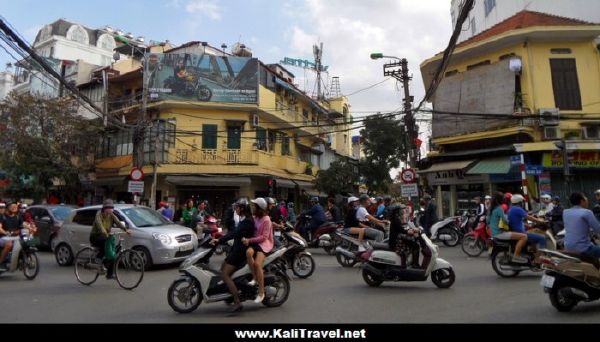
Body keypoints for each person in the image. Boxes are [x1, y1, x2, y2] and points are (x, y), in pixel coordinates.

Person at [212, 198, 255, 313]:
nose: (235, 209)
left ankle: (237, 301)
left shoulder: (247, 221)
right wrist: (220, 237)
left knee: (225, 274)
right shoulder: (244, 219)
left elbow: (235, 233)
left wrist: (220, 240)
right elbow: (234, 233)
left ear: (242, 208)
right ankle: (230, 294)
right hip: (235, 250)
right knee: (222, 268)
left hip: (240, 253)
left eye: (237, 207)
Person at [88, 200, 131, 279]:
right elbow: (99, 225)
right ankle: (98, 258)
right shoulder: (99, 215)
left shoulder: (112, 215)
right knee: (106, 242)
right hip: (95, 237)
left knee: (113, 253)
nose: (111, 209)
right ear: (104, 208)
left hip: (105, 236)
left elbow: (118, 222)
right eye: (109, 208)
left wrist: (126, 230)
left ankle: (109, 274)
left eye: (112, 208)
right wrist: (104, 232)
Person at [243, 198, 274, 304]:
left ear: (259, 208)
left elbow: (264, 237)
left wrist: (249, 240)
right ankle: (255, 277)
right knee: (248, 253)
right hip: (256, 243)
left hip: (264, 244)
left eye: (255, 206)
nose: (253, 208)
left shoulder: (267, 220)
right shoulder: (255, 217)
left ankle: (261, 292)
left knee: (257, 264)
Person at [487, 193, 528, 264]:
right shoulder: (499, 209)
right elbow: (506, 220)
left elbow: (487, 221)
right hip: (500, 233)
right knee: (524, 237)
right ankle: (516, 256)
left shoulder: (491, 209)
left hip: (493, 233)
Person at [564, 192, 600, 259]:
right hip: (583, 249)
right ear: (582, 201)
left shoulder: (565, 212)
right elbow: (598, 229)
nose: (587, 200)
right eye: (586, 198)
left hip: (568, 247)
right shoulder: (587, 212)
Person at [0, 203, 33, 271]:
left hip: (16, 237)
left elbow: (23, 224)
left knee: (30, 240)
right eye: (12, 207)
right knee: (9, 244)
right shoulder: (2, 216)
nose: (14, 208)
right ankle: (1, 262)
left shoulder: (18, 217)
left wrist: (31, 227)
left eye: (15, 207)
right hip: (4, 237)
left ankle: (23, 259)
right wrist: (5, 232)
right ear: (7, 208)